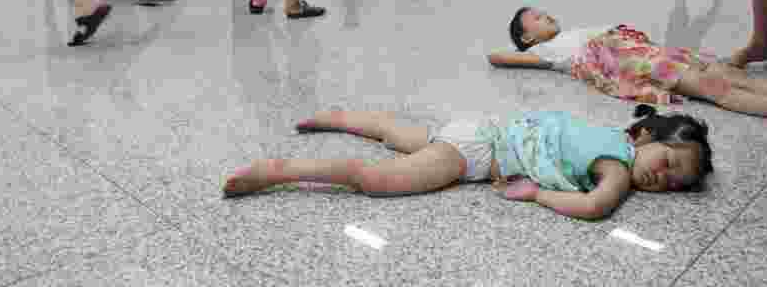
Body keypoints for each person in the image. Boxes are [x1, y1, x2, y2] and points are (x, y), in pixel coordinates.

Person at [222, 105, 715, 221]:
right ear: (646, 136)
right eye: (669, 162)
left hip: (481, 129)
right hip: (479, 153)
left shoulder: (613, 131)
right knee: (376, 180)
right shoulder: (619, 164)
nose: (661, 178)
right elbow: (595, 206)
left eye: (673, 185)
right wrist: (538, 193)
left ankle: (341, 116)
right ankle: (277, 172)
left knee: (397, 134)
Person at [489, 9, 767, 127]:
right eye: (536, 19)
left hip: (642, 50)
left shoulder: (570, 32)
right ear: (528, 39)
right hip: (629, 61)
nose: (547, 16)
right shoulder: (551, 51)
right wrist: (521, 49)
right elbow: (497, 56)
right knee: (719, 89)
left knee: (731, 77)